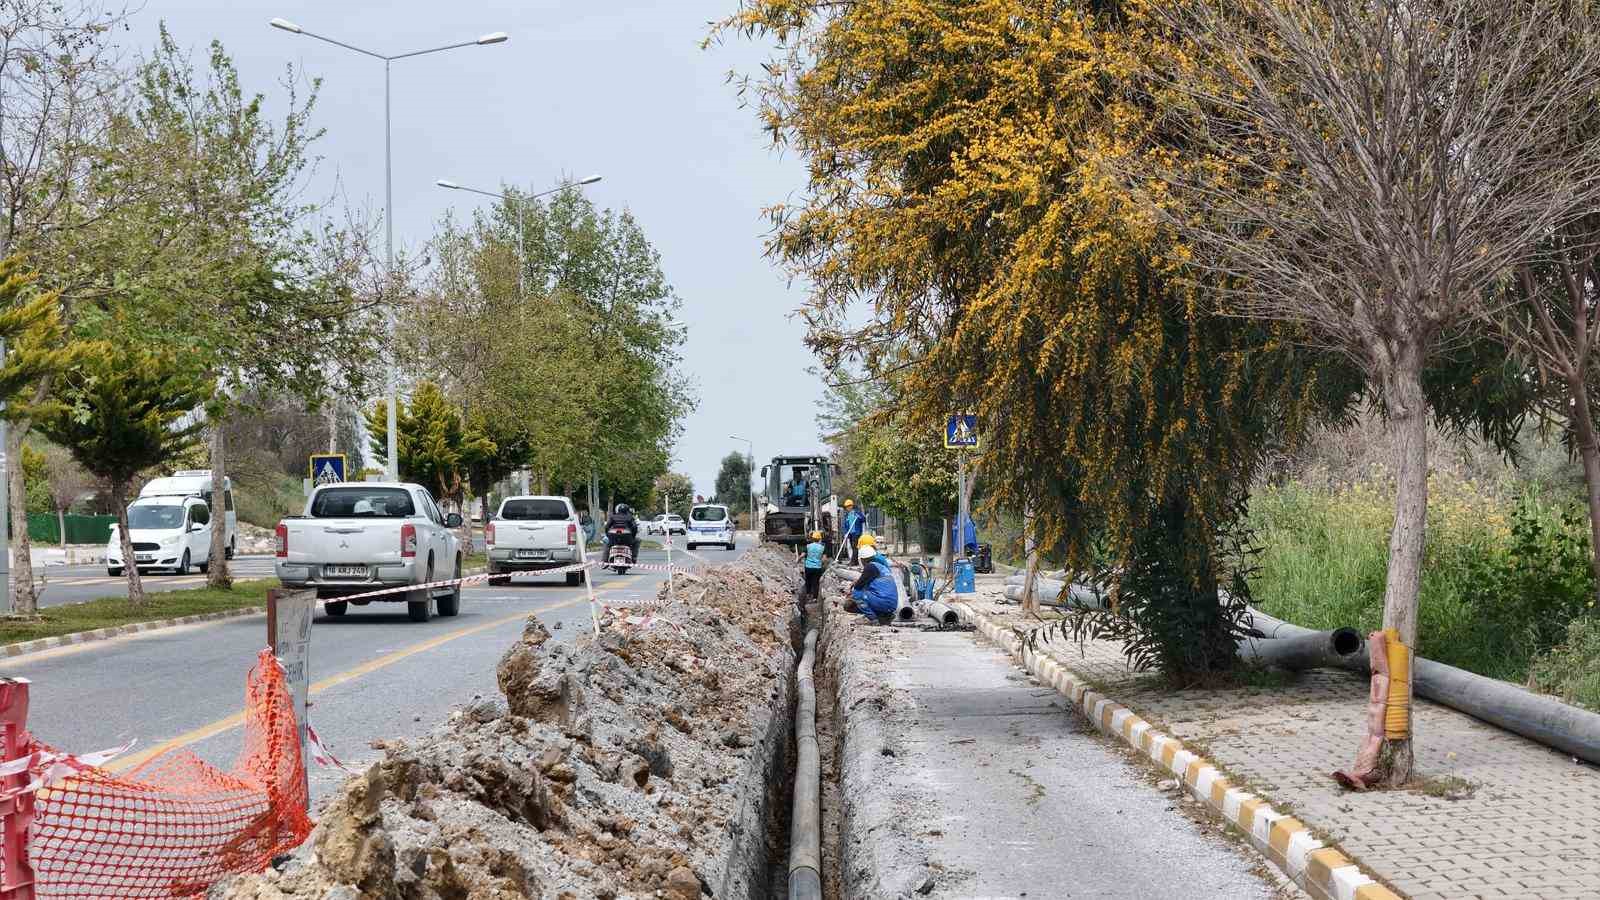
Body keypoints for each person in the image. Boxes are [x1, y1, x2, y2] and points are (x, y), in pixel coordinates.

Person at [848, 544, 899, 624]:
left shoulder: (869, 567)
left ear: (862, 559)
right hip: (891, 605)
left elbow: (858, 587)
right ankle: (884, 616)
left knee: (856, 594)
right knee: (865, 592)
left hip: (884, 603)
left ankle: (872, 619)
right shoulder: (879, 567)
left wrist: (852, 593)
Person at [801, 530, 826, 602]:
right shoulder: (822, 547)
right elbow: (824, 559)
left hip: (808, 567)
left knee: (808, 581)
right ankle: (815, 598)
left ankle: (808, 595)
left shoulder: (808, 546)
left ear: (812, 538)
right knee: (816, 582)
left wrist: (798, 560)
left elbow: (803, 555)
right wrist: (821, 564)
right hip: (817, 568)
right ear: (819, 539)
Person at [842, 498, 866, 565]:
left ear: (851, 506)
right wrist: (846, 533)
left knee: (855, 547)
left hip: (856, 533)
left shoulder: (857, 513)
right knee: (853, 547)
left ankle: (853, 561)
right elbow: (846, 525)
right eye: (846, 507)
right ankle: (856, 561)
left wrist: (859, 516)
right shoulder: (847, 515)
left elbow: (863, 519)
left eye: (848, 506)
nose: (847, 508)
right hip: (850, 533)